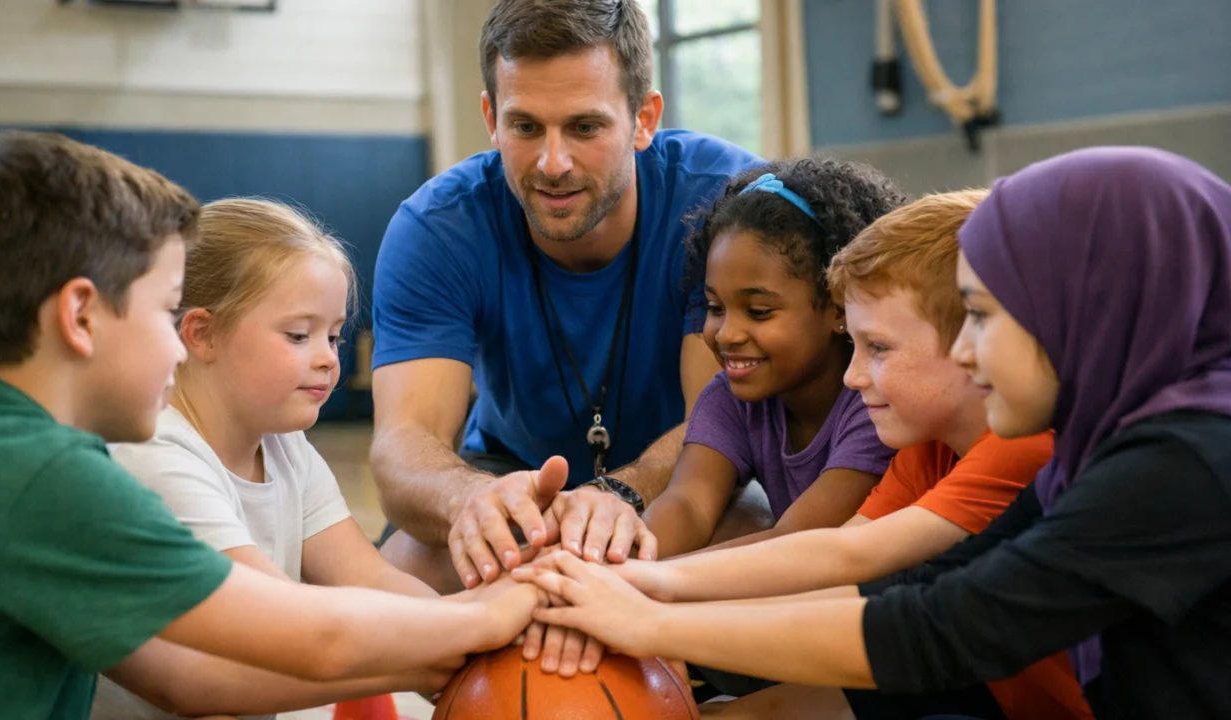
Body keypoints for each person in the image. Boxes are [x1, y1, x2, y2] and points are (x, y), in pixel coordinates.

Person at [516, 147, 1231, 719]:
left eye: (983, 316)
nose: (968, 350)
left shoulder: (1183, 462)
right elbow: (919, 581)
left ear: (1090, 309)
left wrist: (650, 622)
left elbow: (945, 626)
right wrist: (634, 585)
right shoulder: (1110, 446)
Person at [0, 130, 541, 719]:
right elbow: (308, 634)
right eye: (164, 311)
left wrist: (441, 653)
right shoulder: (43, 473)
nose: (175, 344)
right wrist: (490, 615)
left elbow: (189, 680)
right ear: (80, 316)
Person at [620, 189, 1089, 719]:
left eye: (878, 348)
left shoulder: (1024, 446)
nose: (853, 375)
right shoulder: (926, 445)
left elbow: (849, 562)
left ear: (973, 341)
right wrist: (623, 589)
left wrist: (638, 606)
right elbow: (838, 553)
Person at [368, 0, 763, 600]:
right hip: (510, 474)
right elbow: (402, 446)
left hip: (681, 477)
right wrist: (471, 499)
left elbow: (719, 423)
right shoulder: (437, 227)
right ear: (491, 119)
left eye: (584, 127)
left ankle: (704, 694)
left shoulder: (723, 204)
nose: (553, 164)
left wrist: (619, 495)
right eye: (526, 127)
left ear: (643, 119)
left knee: (764, 540)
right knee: (399, 579)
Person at [91, 198, 457, 719]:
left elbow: (369, 578)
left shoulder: (285, 446)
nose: (329, 357)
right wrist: (474, 625)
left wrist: (473, 638)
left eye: (333, 335)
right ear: (202, 334)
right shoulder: (156, 456)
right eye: (298, 335)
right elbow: (291, 623)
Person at [643, 157, 902, 561]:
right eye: (715, 306)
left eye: (759, 312)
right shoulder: (730, 397)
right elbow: (688, 505)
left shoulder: (876, 403)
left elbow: (799, 542)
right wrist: (612, 562)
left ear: (838, 309)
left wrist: (631, 583)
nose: (727, 334)